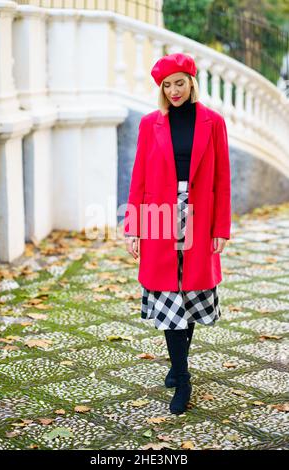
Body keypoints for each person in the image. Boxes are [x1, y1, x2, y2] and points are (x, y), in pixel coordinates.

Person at [123, 52, 231, 415]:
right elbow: (138, 177)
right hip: (158, 216)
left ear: (191, 82)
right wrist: (133, 227)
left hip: (200, 215)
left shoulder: (214, 122)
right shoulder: (150, 123)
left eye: (179, 83)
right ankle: (182, 377)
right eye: (167, 85)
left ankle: (177, 363)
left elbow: (221, 180)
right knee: (169, 295)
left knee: (191, 292)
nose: (173, 91)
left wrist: (221, 227)